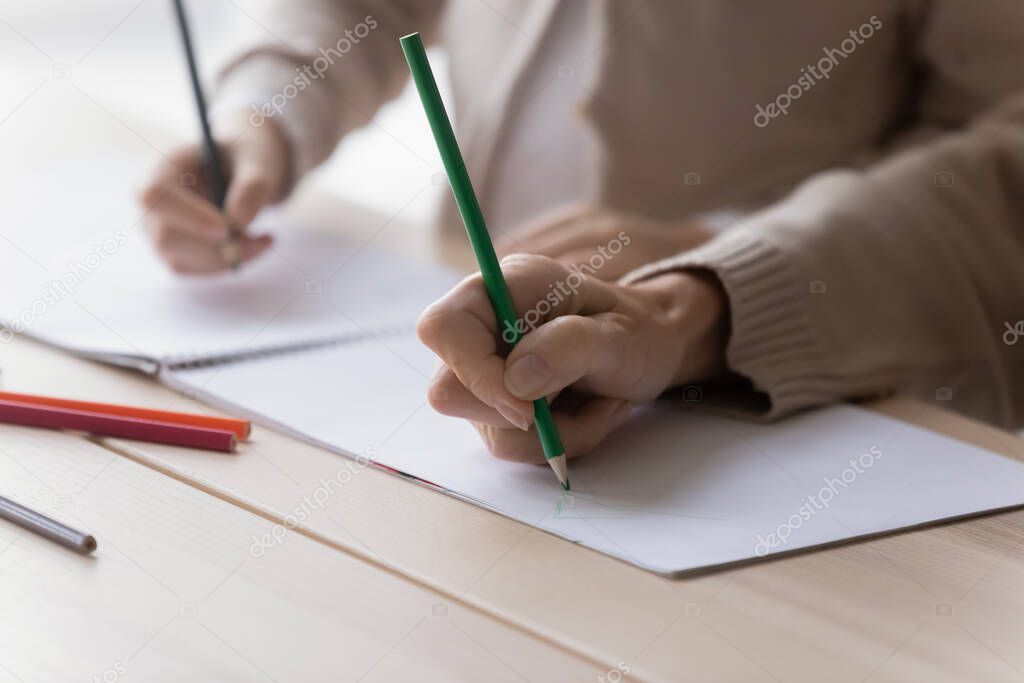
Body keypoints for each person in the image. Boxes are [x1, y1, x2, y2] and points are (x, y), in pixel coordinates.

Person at [140, 2, 1024, 464]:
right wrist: (269, 110)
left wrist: (713, 266)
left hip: (828, 401)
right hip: (460, 329)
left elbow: (1002, 143)